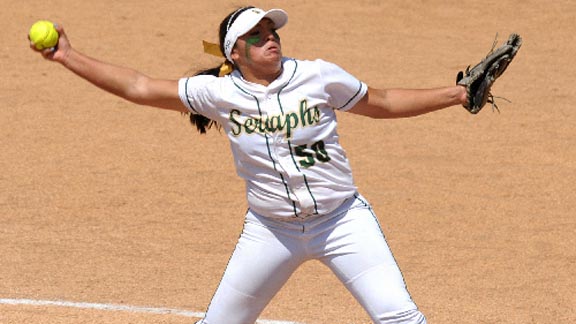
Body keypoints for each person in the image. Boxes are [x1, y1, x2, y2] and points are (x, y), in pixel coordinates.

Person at [30, 6, 467, 324]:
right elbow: (140, 87)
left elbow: (384, 102)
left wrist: (456, 94)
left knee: (400, 318)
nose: (270, 37)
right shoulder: (217, 93)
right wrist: (68, 56)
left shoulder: (318, 75)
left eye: (270, 30)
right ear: (234, 53)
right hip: (271, 231)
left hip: (342, 222)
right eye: (255, 35)